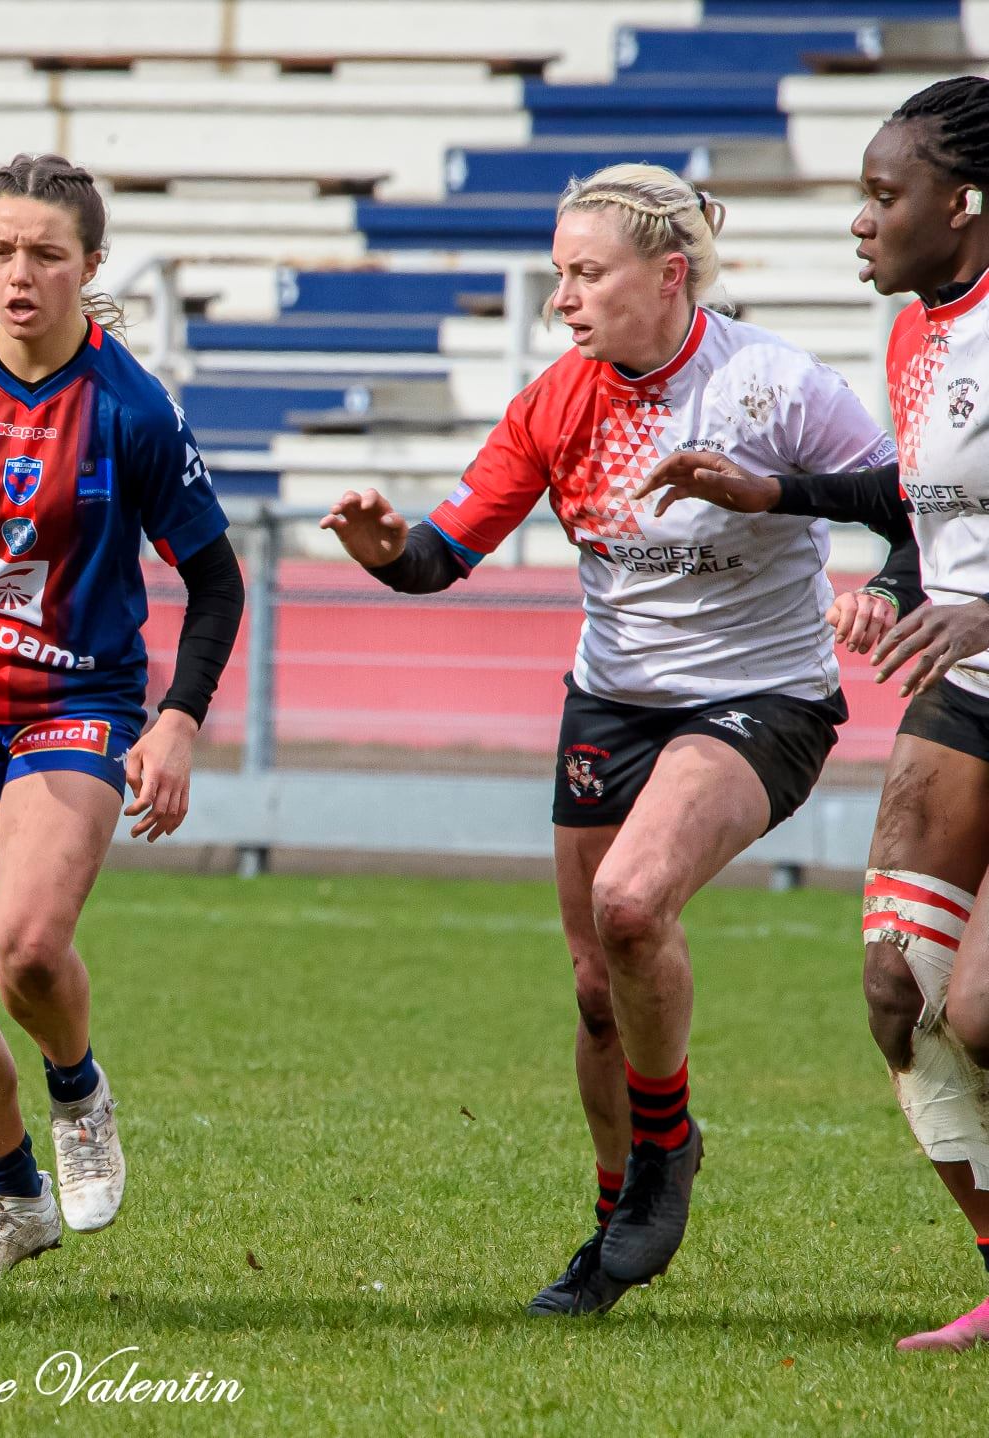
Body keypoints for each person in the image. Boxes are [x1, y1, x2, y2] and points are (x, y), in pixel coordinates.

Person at [323, 163, 907, 1317]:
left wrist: (886, 585)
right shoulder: (556, 400)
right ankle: (613, 1225)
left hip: (762, 703)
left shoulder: (777, 386)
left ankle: (662, 1156)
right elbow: (445, 554)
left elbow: (915, 502)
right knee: (599, 988)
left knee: (633, 905)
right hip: (611, 702)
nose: (563, 300)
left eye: (587, 274)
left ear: (670, 274)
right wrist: (387, 548)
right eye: (559, 276)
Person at [633, 76, 989, 1352]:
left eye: (883, 195)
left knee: (987, 1011)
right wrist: (791, 499)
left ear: (965, 202)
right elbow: (922, 503)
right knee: (899, 986)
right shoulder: (922, 332)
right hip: (966, 700)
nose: (859, 219)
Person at [0, 154, 245, 1276]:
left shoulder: (133, 408)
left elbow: (218, 581)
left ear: (90, 267)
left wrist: (180, 718)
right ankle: (14, 1200)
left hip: (76, 698)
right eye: (1, 251)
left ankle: (78, 1088)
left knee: (27, 948)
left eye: (46, 255)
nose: (19, 274)